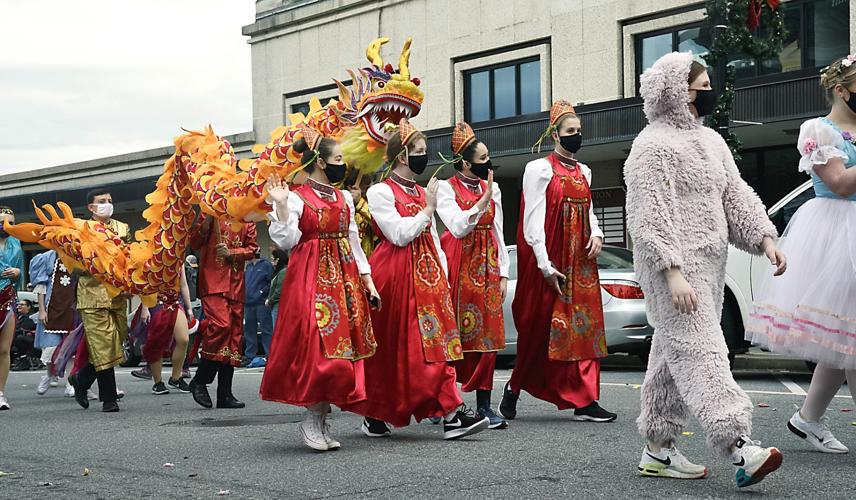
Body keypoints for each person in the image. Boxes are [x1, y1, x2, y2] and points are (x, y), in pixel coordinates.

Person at [624, 53, 786, 487]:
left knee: (671, 354)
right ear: (679, 91)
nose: (708, 91)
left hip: (709, 270)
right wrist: (670, 270)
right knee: (703, 351)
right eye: (702, 85)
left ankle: (657, 449)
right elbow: (647, 215)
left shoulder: (712, 142)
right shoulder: (651, 145)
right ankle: (740, 445)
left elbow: (736, 196)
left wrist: (765, 239)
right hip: (673, 273)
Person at [746, 55, 856, 455]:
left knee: (842, 336)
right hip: (835, 233)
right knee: (850, 337)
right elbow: (840, 183)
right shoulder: (818, 130)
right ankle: (808, 419)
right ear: (841, 90)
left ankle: (807, 418)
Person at [354, 118, 489, 440]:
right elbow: (398, 235)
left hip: (428, 275)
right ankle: (441, 413)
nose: (424, 156)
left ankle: (441, 412)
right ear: (402, 156)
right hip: (397, 275)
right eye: (419, 151)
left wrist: (442, 272)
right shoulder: (380, 191)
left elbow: (444, 231)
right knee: (404, 348)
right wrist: (426, 211)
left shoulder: (425, 190)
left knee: (433, 344)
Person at [261, 127, 381, 451]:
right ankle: (312, 418)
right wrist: (282, 206)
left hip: (343, 276)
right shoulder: (298, 197)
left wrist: (367, 279)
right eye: (339, 159)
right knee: (319, 347)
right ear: (321, 163)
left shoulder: (344, 198)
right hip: (311, 276)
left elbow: (353, 240)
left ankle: (321, 417)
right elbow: (286, 241)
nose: (345, 165)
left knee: (342, 349)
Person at [499, 101, 616, 424]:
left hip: (581, 262)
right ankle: (515, 387)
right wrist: (544, 265)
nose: (576, 136)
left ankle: (586, 400)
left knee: (586, 329)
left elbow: (589, 211)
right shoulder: (538, 169)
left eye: (578, 131)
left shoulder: (585, 171)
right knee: (540, 330)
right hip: (551, 261)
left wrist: (598, 233)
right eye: (570, 132)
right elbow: (531, 222)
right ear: (555, 135)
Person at [436, 122, 510, 429]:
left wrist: (504, 272)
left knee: (489, 337)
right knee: (455, 336)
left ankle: (484, 406)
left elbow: (498, 230)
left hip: (488, 263)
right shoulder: (445, 188)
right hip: (459, 263)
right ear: (466, 162)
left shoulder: (495, 188)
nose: (488, 163)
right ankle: (447, 403)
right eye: (483, 158)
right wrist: (481, 202)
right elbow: (457, 226)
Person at [187, 208, 259, 409]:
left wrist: (232, 253)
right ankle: (200, 380)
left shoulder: (247, 217)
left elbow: (253, 249)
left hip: (236, 284)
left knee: (234, 338)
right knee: (221, 326)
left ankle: (224, 393)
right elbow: (194, 242)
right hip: (212, 281)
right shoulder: (209, 213)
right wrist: (208, 221)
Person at [67, 189, 132, 412]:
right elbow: (73, 265)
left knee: (117, 341)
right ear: (91, 207)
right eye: (101, 201)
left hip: (118, 295)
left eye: (110, 201)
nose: (107, 204)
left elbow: (130, 259)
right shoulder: (80, 229)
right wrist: (97, 263)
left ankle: (81, 380)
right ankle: (109, 398)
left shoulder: (123, 228)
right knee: (104, 344)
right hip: (92, 294)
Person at [131, 269, 194, 395]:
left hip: (176, 302)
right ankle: (158, 382)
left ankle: (176, 377)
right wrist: (145, 307)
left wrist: (189, 308)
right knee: (157, 342)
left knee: (183, 339)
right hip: (155, 302)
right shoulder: (152, 254)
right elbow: (145, 282)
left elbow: (183, 284)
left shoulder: (178, 256)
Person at [31, 250, 78, 396]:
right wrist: (42, 310)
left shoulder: (76, 255)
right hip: (52, 307)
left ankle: (70, 384)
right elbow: (41, 285)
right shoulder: (46, 258)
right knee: (51, 348)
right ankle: (49, 375)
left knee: (71, 350)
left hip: (71, 308)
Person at [0, 206, 23, 410]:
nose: (6, 225)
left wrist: (17, 272)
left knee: (4, 350)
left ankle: (0, 393)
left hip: (7, 297)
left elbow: (21, 272)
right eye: (2, 222)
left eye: (11, 222)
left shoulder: (16, 243)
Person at [243, 249, 274, 368]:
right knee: (249, 330)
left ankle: (269, 354)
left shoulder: (266, 265)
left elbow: (270, 281)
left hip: (261, 303)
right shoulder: (249, 267)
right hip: (248, 303)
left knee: (266, 329)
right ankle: (250, 355)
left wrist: (262, 292)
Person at [11, 299, 38, 370]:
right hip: (18, 338)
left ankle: (24, 361)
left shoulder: (30, 317)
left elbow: (24, 329)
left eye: (22, 304)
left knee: (19, 338)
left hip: (32, 340)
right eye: (18, 304)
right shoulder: (17, 317)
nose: (19, 306)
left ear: (28, 307)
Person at [266, 249, 288, 328]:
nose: (271, 261)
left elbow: (279, 291)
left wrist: (270, 301)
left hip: (278, 307)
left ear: (277, 260)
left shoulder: (283, 272)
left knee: (276, 330)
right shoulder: (279, 271)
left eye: (272, 259)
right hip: (276, 307)